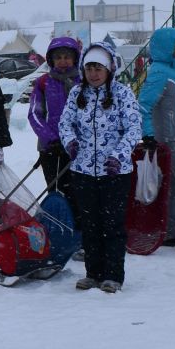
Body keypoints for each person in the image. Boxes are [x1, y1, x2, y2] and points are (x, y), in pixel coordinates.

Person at [57, 42, 142, 291]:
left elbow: (134, 128)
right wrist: (71, 142)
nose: (93, 74)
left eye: (98, 68)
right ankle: (93, 273)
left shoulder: (123, 94)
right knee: (90, 224)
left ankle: (113, 275)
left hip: (115, 172)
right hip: (83, 171)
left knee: (112, 224)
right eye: (89, 68)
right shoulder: (76, 94)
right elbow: (65, 123)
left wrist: (118, 155)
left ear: (109, 69)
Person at [134, 26, 175, 254]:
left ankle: (173, 232)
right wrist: (149, 134)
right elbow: (143, 106)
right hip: (173, 139)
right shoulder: (160, 73)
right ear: (166, 47)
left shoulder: (174, 72)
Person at [27, 35, 81, 190]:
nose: (63, 61)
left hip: (78, 147)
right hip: (50, 147)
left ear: (74, 59)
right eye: (58, 58)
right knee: (55, 191)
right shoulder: (43, 82)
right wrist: (51, 139)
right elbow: (34, 114)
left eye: (67, 57)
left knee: (76, 193)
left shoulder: (83, 82)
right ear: (51, 60)